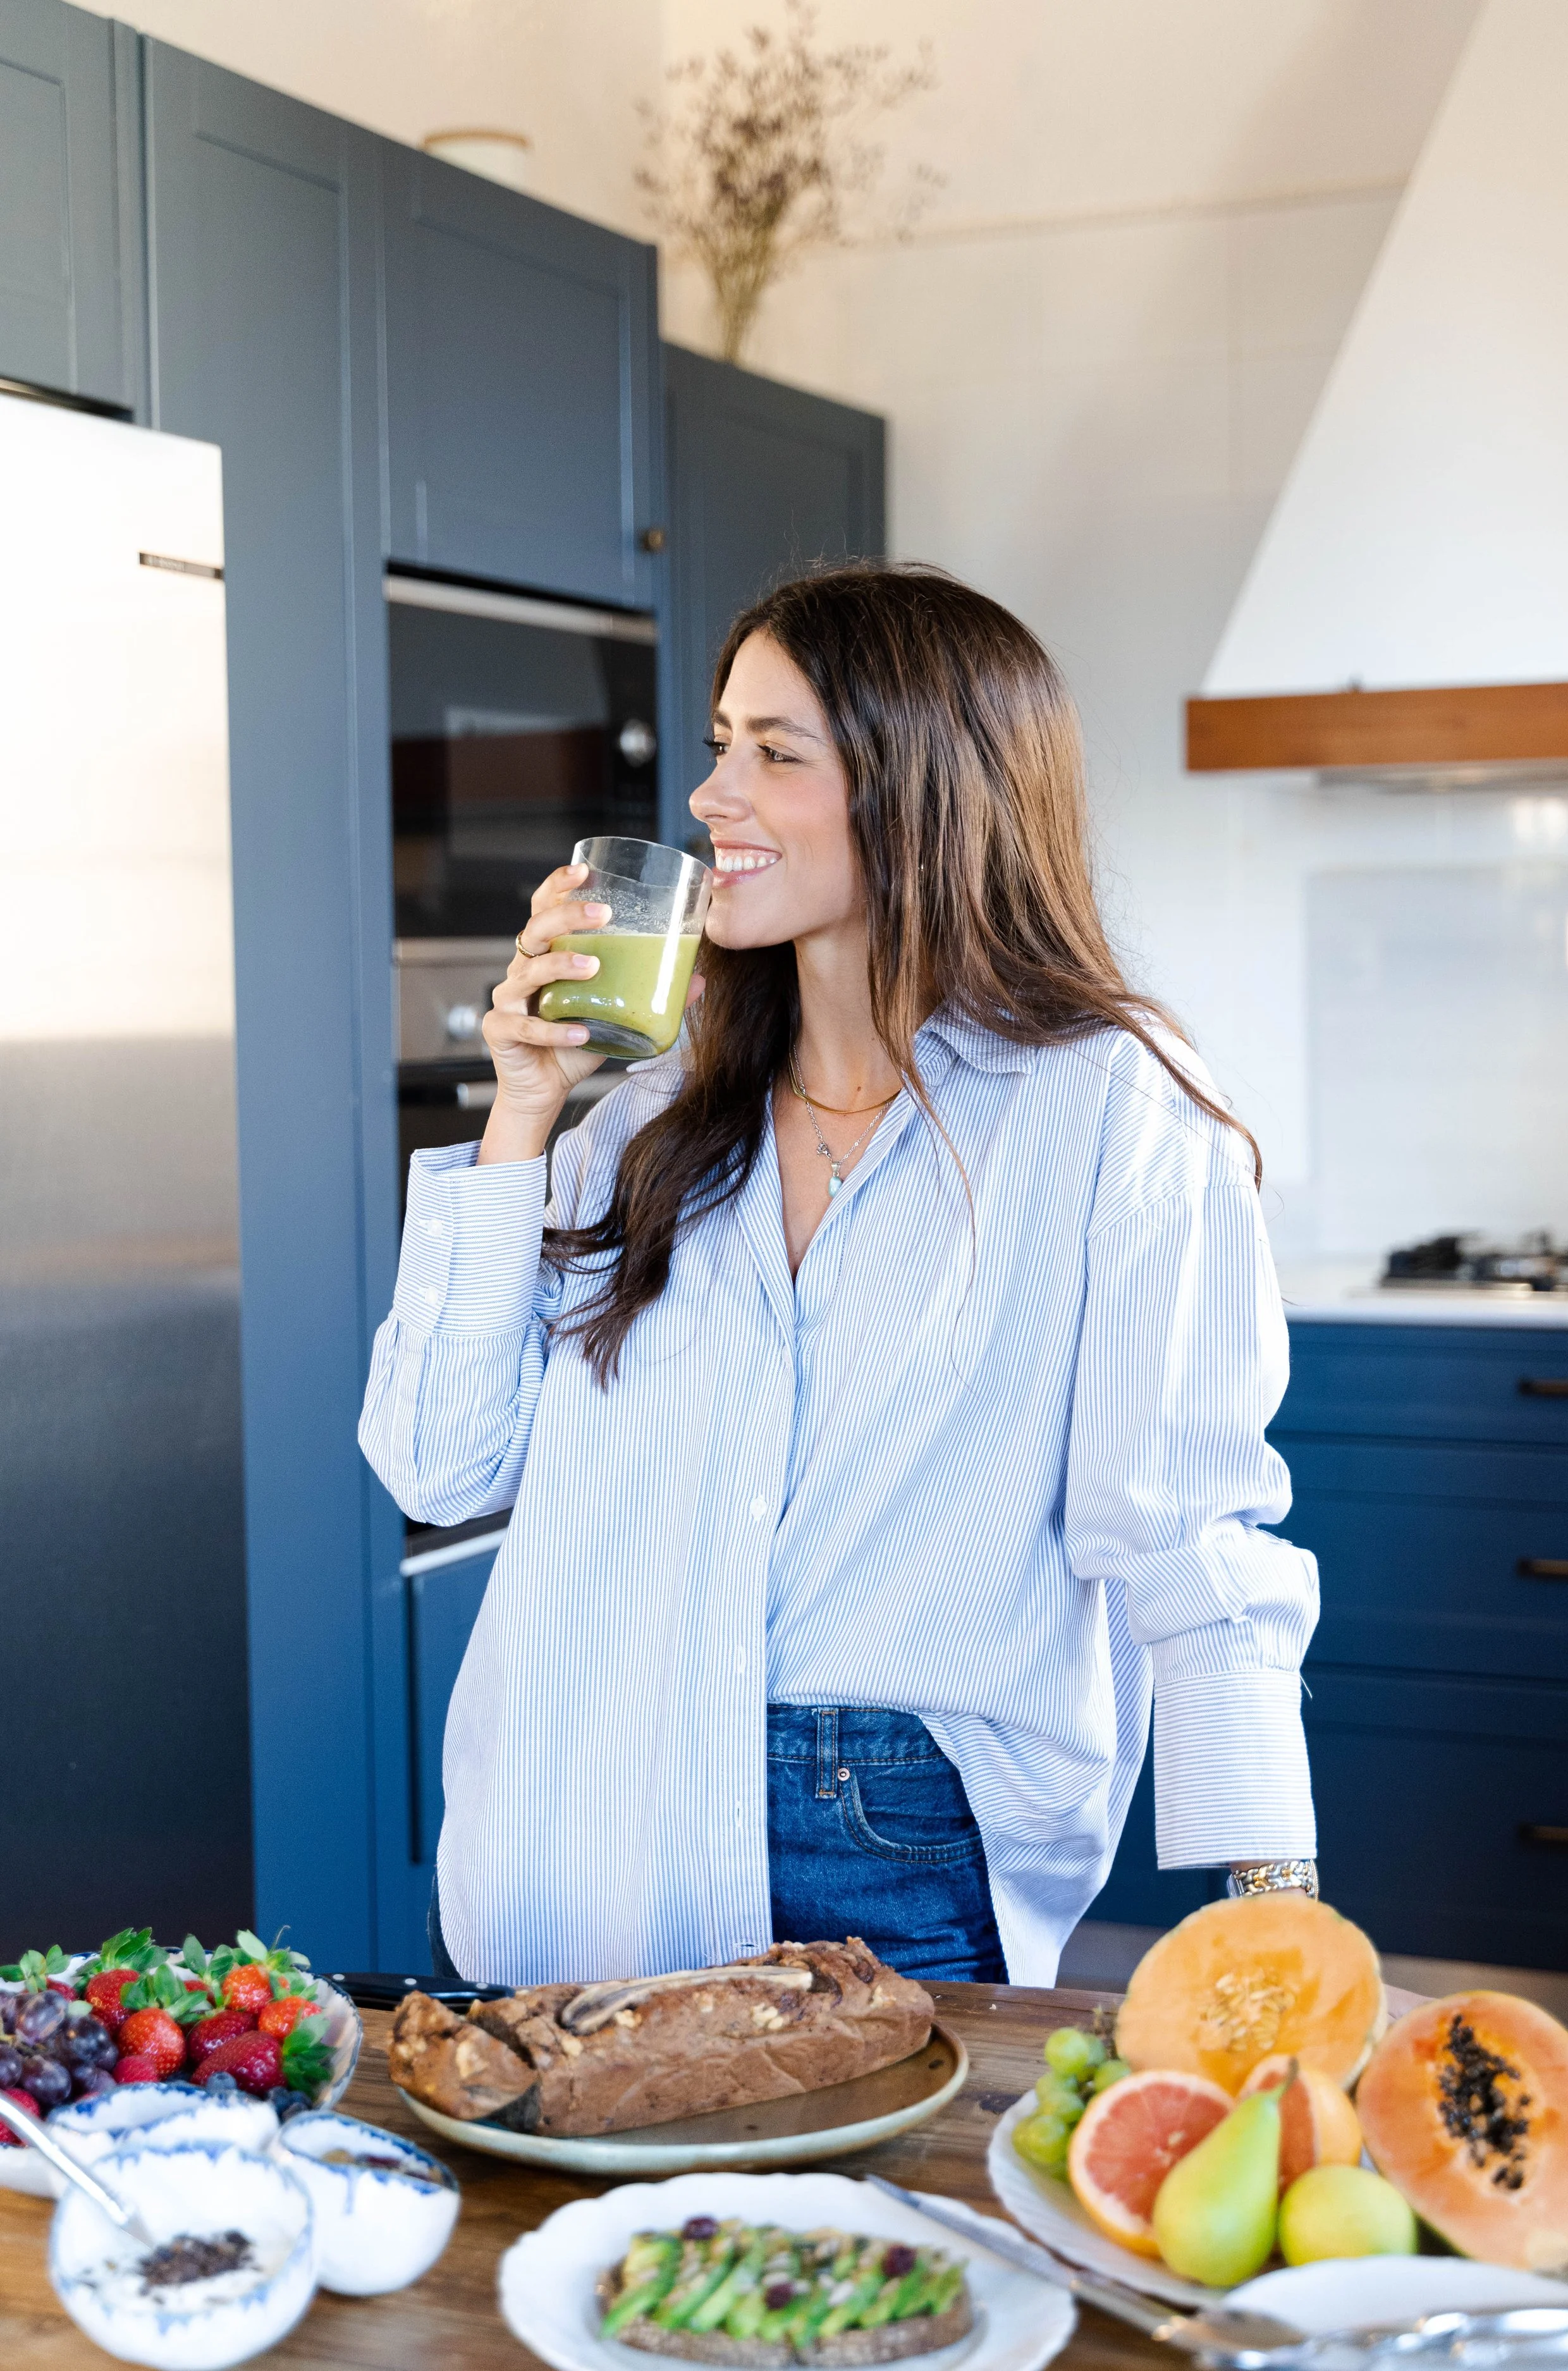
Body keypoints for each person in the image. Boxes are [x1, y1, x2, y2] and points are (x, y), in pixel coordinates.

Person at [360, 563, 1320, 1990]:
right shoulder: (645, 1116)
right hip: (572, 1804)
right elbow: (439, 1465)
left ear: (921, 788)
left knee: (849, 2229)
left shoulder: (1114, 1109)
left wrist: (1273, 1911)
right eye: (717, 745)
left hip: (876, 1834)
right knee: (566, 2227)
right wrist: (515, 1115)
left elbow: (1188, 1537)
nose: (709, 797)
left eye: (773, 753)